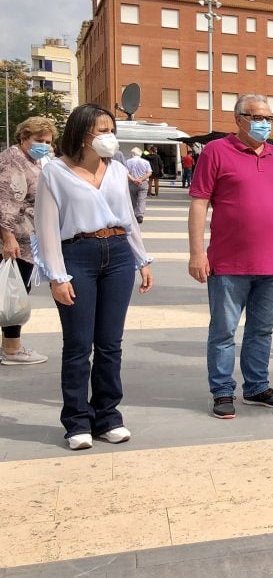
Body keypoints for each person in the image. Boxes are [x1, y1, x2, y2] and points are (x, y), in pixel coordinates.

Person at [33, 104, 154, 449]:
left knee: (110, 343)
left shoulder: (116, 170)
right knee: (77, 344)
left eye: (110, 129)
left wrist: (141, 259)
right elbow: (46, 229)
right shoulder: (54, 172)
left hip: (116, 253)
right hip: (78, 255)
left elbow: (127, 218)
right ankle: (76, 420)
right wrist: (57, 276)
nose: (108, 136)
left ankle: (108, 415)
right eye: (101, 130)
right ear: (81, 132)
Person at [188, 94, 273, 419]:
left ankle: (256, 387)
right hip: (227, 263)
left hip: (269, 263)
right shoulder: (215, 152)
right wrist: (197, 253)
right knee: (224, 331)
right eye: (257, 117)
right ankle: (223, 390)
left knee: (262, 329)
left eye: (269, 118)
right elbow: (198, 203)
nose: (264, 124)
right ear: (238, 118)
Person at [0, 116, 56, 366]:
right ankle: (11, 349)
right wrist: (8, 237)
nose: (44, 145)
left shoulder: (31, 159)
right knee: (13, 293)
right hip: (15, 240)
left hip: (25, 238)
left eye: (47, 141)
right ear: (24, 138)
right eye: (38, 140)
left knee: (14, 292)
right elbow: (7, 203)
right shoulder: (13, 161)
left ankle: (11, 346)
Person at [124, 146, 152, 223]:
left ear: (132, 154)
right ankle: (140, 215)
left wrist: (133, 179)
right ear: (140, 154)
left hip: (132, 183)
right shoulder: (146, 162)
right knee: (142, 199)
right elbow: (149, 172)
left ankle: (132, 214)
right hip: (143, 183)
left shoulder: (127, 161)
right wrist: (141, 179)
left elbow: (126, 173)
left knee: (133, 199)